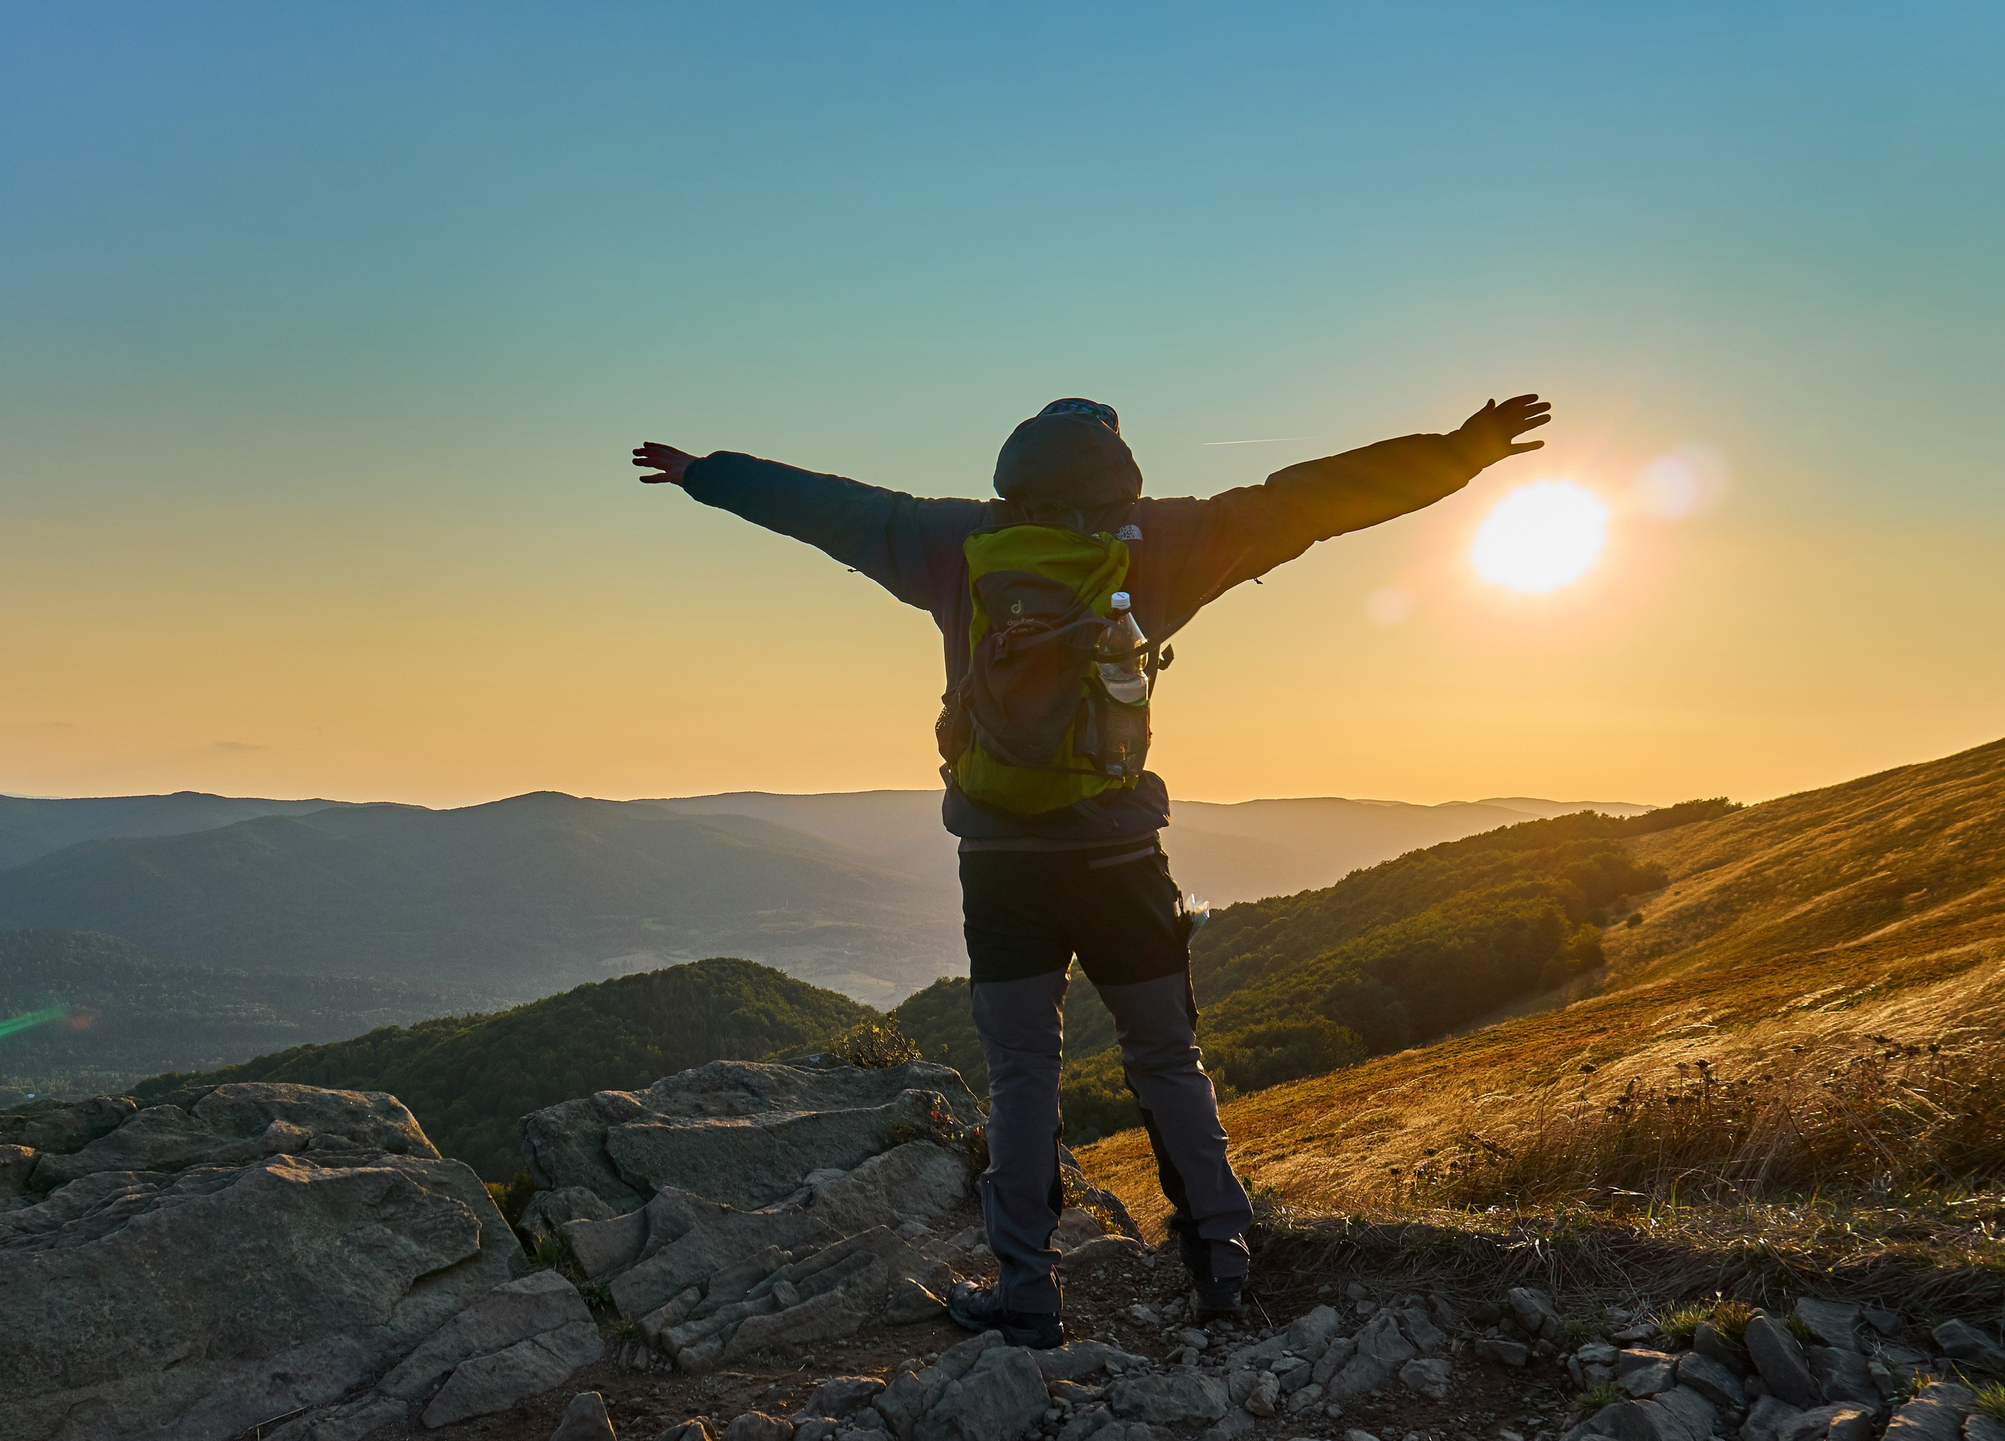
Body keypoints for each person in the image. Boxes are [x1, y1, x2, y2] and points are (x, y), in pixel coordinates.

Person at [630, 392, 1551, 1345]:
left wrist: (707, 474)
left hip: (1001, 863)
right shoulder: (1163, 543)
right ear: (1117, 466)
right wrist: (1460, 452)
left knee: (1023, 1071)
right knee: (1165, 1058)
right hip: (1121, 859)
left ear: (1014, 466)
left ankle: (1028, 1291)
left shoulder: (951, 542)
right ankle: (1222, 1267)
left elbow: (825, 506)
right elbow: (1310, 500)